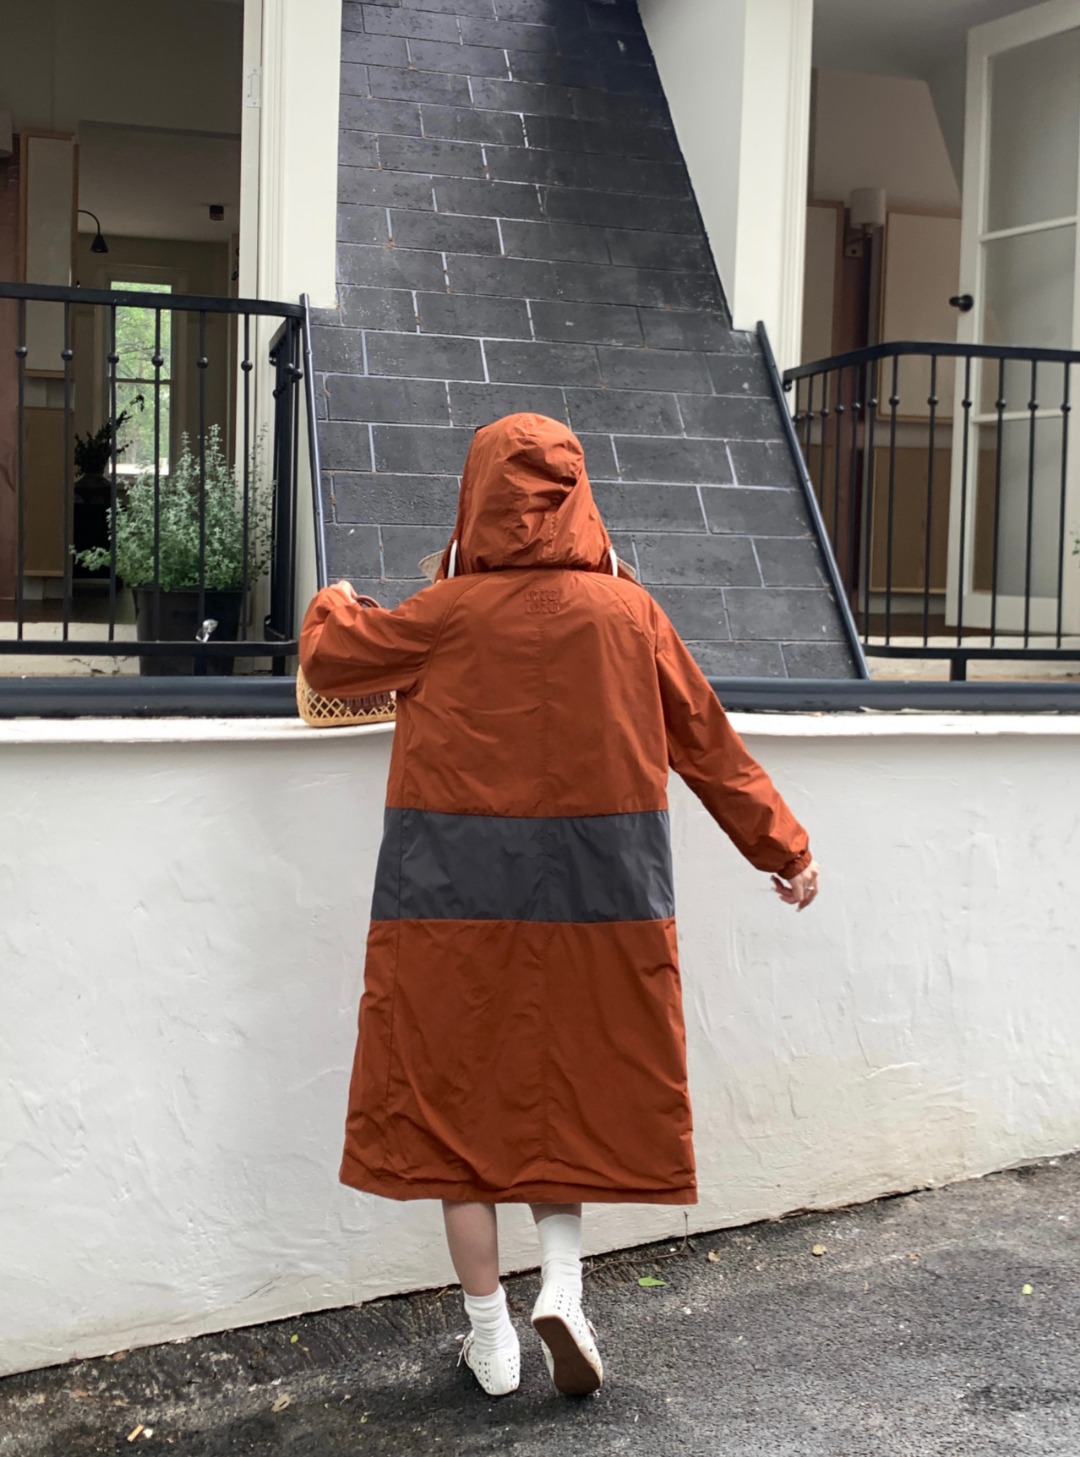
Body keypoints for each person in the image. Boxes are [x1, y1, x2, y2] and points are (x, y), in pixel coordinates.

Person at [299, 413, 819, 1400]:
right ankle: (565, 1289)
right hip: (597, 909)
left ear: (477, 496)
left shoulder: (445, 612)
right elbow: (708, 744)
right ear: (581, 498)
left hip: (451, 910)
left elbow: (330, 660)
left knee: (455, 1121)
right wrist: (784, 848)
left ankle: (490, 1339)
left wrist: (334, 600)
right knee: (561, 1098)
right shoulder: (631, 614)